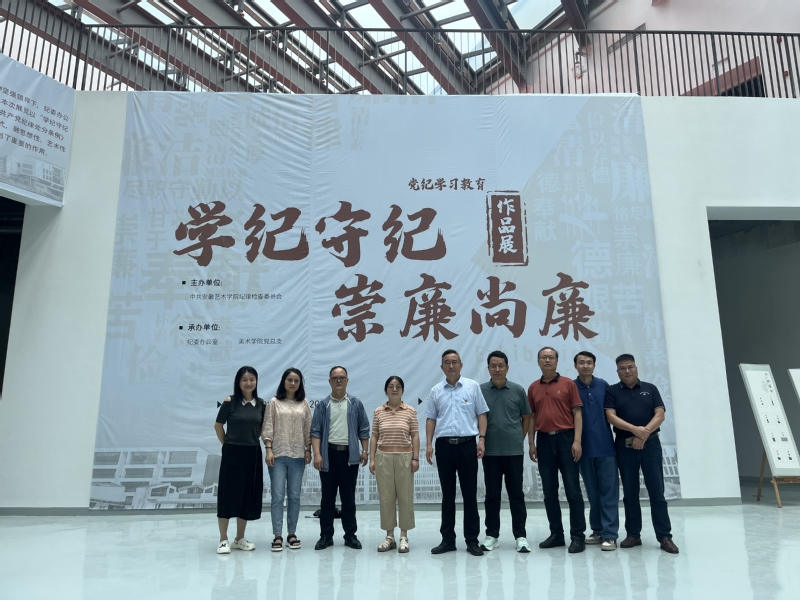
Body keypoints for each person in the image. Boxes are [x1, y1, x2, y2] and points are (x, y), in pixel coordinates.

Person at [604, 354, 679, 554]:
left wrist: (643, 434)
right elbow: (611, 417)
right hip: (624, 446)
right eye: (623, 368)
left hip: (651, 446)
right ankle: (633, 535)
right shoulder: (612, 391)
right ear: (617, 371)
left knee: (657, 493)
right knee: (630, 493)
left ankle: (665, 536)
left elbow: (660, 415)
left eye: (630, 367)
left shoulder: (650, 388)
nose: (627, 371)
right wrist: (635, 430)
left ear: (636, 368)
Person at [425, 349, 489, 556]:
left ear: (461, 365)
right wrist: (429, 444)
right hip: (444, 446)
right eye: (447, 362)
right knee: (448, 495)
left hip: (467, 445)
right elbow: (431, 418)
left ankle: (472, 540)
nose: (451, 366)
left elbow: (482, 414)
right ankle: (447, 540)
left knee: (470, 494)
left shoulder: (472, 387)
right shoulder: (436, 391)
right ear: (442, 367)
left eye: (454, 362)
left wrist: (482, 439)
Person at [527, 347, 586, 553]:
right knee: (549, 491)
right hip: (544, 441)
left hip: (566, 439)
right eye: (543, 357)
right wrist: (531, 443)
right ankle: (556, 534)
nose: (547, 360)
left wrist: (577, 441)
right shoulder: (533, 387)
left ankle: (578, 536)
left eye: (551, 357)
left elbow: (577, 414)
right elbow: (532, 417)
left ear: (557, 361)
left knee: (573, 490)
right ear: (538, 361)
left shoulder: (568, 384)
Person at [311, 366, 370, 550]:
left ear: (347, 380)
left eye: (342, 377)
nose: (338, 380)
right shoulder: (323, 405)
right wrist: (317, 454)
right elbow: (315, 431)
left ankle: (350, 536)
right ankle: (326, 536)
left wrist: (365, 451)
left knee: (348, 498)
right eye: (335, 378)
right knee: (327, 498)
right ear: (329, 381)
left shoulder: (355, 403)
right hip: (328, 455)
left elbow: (364, 429)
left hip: (349, 457)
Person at [479, 350, 532, 553]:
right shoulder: (481, 390)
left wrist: (519, 438)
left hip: (513, 452)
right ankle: (492, 535)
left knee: (516, 494)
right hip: (490, 451)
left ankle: (520, 536)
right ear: (488, 368)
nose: (497, 369)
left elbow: (526, 417)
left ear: (507, 368)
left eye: (501, 365)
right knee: (492, 495)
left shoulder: (517, 390)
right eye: (493, 366)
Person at [214, 366, 267, 554]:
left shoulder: (261, 404)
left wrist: (250, 440)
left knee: (246, 495)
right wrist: (228, 444)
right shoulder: (230, 402)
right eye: (244, 379)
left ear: (256, 381)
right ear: (238, 382)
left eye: (252, 379)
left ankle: (239, 538)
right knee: (228, 496)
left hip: (252, 453)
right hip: (232, 453)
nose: (248, 383)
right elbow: (218, 425)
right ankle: (223, 539)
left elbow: (260, 428)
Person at [262, 368, 312, 552]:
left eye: (296, 381)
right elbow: (268, 427)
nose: (292, 383)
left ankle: (292, 534)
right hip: (277, 455)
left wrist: (308, 449)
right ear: (283, 381)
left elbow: (308, 428)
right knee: (277, 496)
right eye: (290, 379)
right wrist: (269, 449)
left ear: (300, 384)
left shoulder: (304, 403)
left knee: (294, 496)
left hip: (298, 456)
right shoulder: (274, 403)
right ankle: (277, 535)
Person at [573, 351, 619, 551]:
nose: (585, 366)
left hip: (605, 447)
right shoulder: (571, 387)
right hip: (583, 449)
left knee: (608, 492)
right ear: (575, 366)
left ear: (594, 365)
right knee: (593, 493)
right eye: (581, 362)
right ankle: (598, 530)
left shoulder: (603, 386)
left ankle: (610, 535)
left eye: (589, 362)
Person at [369, 376, 420, 553]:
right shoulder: (378, 412)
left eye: (398, 386)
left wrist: (415, 458)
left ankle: (404, 536)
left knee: (405, 497)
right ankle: (389, 536)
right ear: (386, 390)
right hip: (383, 457)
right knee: (386, 498)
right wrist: (372, 459)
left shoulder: (410, 411)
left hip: (405, 457)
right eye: (391, 386)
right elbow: (374, 436)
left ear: (403, 390)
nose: (394, 389)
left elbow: (415, 435)